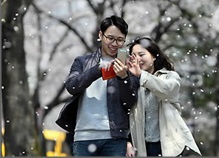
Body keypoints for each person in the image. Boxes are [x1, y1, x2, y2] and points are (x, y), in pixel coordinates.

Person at [55, 15, 140, 156]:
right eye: (110, 38)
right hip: (84, 136)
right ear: (101, 35)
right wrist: (97, 70)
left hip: (115, 138)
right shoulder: (82, 61)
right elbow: (72, 86)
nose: (114, 44)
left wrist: (123, 77)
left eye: (120, 40)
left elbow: (130, 101)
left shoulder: (128, 65)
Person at [125, 37, 202, 157]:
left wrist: (141, 75)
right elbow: (127, 114)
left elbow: (166, 90)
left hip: (167, 145)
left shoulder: (170, 76)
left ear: (154, 56)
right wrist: (128, 142)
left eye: (141, 54)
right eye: (134, 56)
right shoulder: (131, 82)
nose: (138, 59)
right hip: (141, 147)